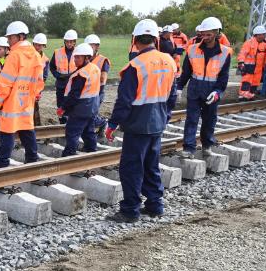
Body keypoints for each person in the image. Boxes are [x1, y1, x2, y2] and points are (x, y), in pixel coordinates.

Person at [104, 19, 177, 222]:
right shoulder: (169, 61)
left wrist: (112, 124)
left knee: (131, 168)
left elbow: (124, 101)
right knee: (151, 165)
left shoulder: (135, 66)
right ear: (156, 39)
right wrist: (165, 116)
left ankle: (130, 210)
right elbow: (172, 97)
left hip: (137, 125)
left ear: (134, 40)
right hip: (157, 123)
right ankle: (155, 205)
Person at [0, 21, 44, 167]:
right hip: (27, 101)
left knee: (7, 132)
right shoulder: (35, 54)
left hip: (11, 102)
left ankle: (2, 164)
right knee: (27, 130)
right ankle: (32, 160)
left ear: (20, 36)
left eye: (10, 37)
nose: (8, 40)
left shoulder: (14, 56)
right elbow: (39, 82)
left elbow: (5, 84)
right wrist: (31, 96)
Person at [177, 17, 231, 158]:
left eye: (209, 34)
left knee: (209, 120)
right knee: (191, 119)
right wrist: (179, 87)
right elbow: (186, 72)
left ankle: (207, 145)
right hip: (195, 89)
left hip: (212, 90)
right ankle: (188, 148)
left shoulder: (225, 52)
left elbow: (223, 77)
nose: (205, 37)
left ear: (217, 33)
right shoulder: (192, 49)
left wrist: (217, 92)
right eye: (203, 34)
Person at [58, 43, 100, 156]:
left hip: (80, 109)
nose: (75, 60)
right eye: (75, 57)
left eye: (78, 57)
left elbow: (74, 96)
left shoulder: (81, 74)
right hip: (92, 107)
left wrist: (63, 107)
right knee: (88, 131)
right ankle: (92, 150)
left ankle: (69, 154)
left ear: (87, 57)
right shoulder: (94, 68)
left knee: (72, 132)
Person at [237, 26, 266, 100]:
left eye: (264, 34)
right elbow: (242, 53)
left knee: (255, 82)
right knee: (246, 81)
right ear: (257, 35)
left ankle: (250, 95)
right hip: (248, 67)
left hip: (259, 68)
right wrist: (241, 62)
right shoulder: (249, 43)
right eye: (263, 34)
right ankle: (242, 96)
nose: (264, 35)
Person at [50, 29, 78, 124]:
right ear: (64, 41)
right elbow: (52, 66)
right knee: (61, 105)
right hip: (61, 84)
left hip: (74, 84)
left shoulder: (79, 52)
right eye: (67, 42)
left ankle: (71, 123)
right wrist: (57, 75)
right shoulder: (57, 52)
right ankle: (62, 124)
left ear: (75, 42)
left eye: (71, 42)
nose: (69, 44)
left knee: (73, 105)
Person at [84, 34, 110, 134]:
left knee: (90, 115)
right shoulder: (85, 59)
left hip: (97, 92)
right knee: (88, 115)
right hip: (86, 92)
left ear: (97, 46)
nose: (89, 48)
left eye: (92, 45)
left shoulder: (103, 60)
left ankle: (103, 123)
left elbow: (103, 79)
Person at [31, 33, 49, 126]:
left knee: (35, 106)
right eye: (36, 44)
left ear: (43, 46)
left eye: (40, 45)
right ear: (33, 44)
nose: (38, 47)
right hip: (26, 86)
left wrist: (38, 91)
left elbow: (44, 77)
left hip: (37, 87)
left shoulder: (45, 59)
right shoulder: (28, 55)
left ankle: (35, 126)